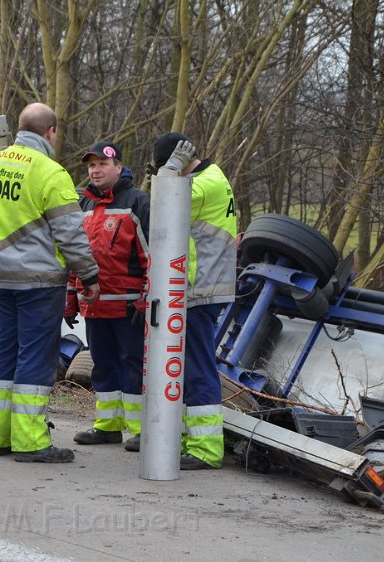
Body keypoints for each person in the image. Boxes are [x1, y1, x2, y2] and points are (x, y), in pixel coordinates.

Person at [0, 102, 100, 463]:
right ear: (51, 132)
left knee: (6, 351)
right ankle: (30, 442)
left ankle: (0, 436)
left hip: (1, 277)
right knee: (36, 358)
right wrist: (89, 275)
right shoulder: (51, 174)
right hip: (40, 281)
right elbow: (71, 234)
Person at [152, 132, 238, 470]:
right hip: (197, 286)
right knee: (187, 368)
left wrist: (170, 171)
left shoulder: (201, 185)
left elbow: (163, 208)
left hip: (201, 288)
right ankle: (191, 440)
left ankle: (205, 449)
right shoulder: (208, 179)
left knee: (198, 368)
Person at [65, 141, 150, 453]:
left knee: (133, 365)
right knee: (102, 364)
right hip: (94, 304)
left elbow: (151, 255)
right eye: (91, 165)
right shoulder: (84, 204)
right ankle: (108, 426)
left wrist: (145, 296)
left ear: (118, 167)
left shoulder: (138, 202)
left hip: (128, 305)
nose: (95, 170)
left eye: (102, 164)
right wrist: (72, 297)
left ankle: (141, 430)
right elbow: (78, 256)